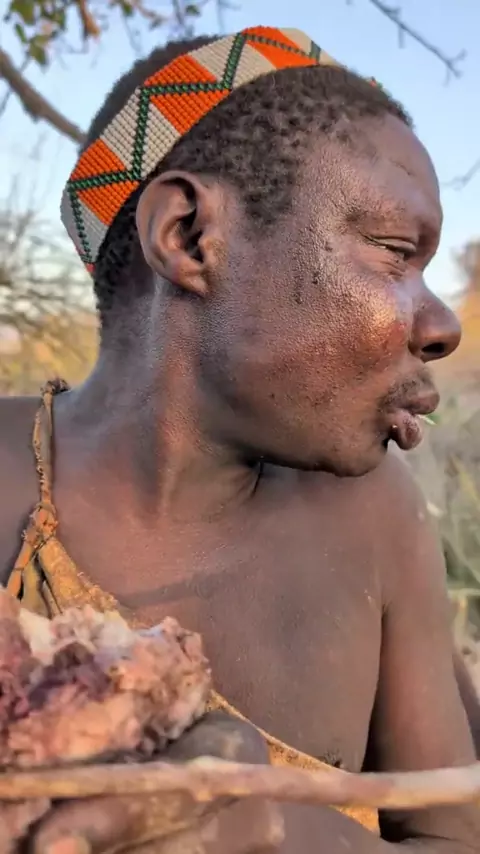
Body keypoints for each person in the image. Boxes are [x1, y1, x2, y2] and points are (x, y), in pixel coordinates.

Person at [0, 25, 479, 854]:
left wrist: (266, 822)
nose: (442, 323)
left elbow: (452, 834)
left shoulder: (374, 520)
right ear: (190, 235)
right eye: (396, 252)